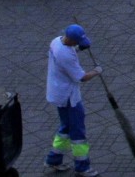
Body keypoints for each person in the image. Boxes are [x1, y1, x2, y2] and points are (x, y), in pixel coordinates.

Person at [45, 24, 96, 174]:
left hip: (58, 93)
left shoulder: (56, 41)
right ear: (72, 40)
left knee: (65, 128)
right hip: (68, 97)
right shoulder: (66, 56)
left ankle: (53, 159)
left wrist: (79, 49)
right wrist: (96, 71)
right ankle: (83, 167)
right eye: (77, 42)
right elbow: (81, 77)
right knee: (78, 132)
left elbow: (69, 50)